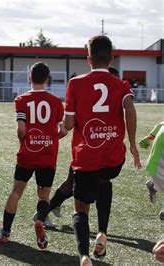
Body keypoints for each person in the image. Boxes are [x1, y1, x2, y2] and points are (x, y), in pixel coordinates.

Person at [64, 35, 141, 265]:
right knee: (105, 179)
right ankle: (103, 232)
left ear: (88, 59)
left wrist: (61, 128)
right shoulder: (121, 84)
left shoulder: (75, 83)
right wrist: (134, 145)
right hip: (113, 158)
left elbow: (68, 125)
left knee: (80, 207)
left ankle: (84, 255)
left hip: (86, 156)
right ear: (112, 59)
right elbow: (129, 107)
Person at [0, 62, 67, 249]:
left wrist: (24, 140)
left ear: (30, 78)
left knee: (16, 192)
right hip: (47, 154)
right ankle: (40, 221)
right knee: (43, 196)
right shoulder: (56, 102)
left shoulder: (21, 100)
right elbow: (63, 130)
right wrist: (53, 138)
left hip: (27, 154)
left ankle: (5, 233)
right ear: (47, 80)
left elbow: (21, 128)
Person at [45, 66, 122, 226]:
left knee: (81, 184)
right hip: (86, 152)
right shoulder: (94, 96)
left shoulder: (106, 97)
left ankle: (47, 211)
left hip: (93, 151)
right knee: (74, 184)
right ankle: (43, 213)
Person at [139, 121, 164, 220]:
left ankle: (153, 186)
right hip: (158, 166)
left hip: (153, 164)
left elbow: (160, 125)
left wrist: (149, 137)